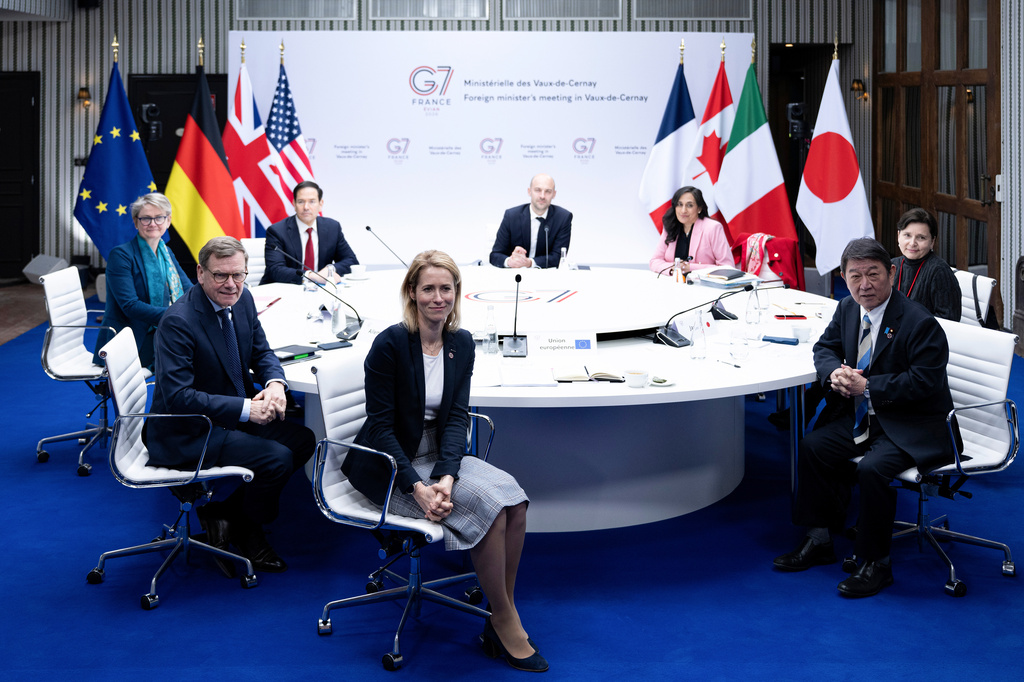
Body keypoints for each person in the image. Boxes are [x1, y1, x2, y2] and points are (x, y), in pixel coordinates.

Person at [344, 250, 547, 672]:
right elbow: (380, 427)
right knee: (489, 512)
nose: (438, 297)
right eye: (428, 289)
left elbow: (456, 417)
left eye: (446, 288)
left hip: (440, 453)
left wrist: (448, 476)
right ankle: (506, 620)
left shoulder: (460, 343)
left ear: (457, 292)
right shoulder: (390, 344)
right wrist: (418, 489)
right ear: (412, 294)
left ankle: (500, 613)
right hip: (390, 461)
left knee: (514, 499)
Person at [772, 238, 960, 598]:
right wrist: (834, 375)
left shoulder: (919, 322)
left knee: (872, 469)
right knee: (814, 446)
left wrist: (868, 386)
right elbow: (824, 348)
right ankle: (820, 539)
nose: (864, 285)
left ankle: (876, 563)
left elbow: (925, 382)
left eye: (873, 274)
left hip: (911, 423)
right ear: (843, 277)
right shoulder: (848, 308)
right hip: (866, 418)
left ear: (891, 273)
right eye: (855, 276)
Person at [147, 236, 315, 576]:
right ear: (200, 273)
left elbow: (262, 352)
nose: (231, 284)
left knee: (303, 440)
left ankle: (226, 516)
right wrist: (245, 408)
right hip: (188, 429)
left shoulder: (243, 299)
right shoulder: (178, 321)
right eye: (221, 275)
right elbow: (179, 397)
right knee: (276, 458)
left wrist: (275, 384)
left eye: (238, 275)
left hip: (226, 413)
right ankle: (249, 531)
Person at [92, 193, 192, 371]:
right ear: (136, 222)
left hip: (163, 330)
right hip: (132, 339)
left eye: (159, 218)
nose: (153, 224)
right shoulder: (121, 255)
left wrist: (208, 303)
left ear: (168, 221)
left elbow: (188, 289)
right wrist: (177, 316)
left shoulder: (166, 252)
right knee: (195, 356)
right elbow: (130, 306)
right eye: (146, 218)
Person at [261, 180, 358, 285]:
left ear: (320, 204)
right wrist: (311, 276)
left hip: (320, 290)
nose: (306, 207)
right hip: (284, 289)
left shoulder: (332, 228)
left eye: (312, 201)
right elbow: (275, 270)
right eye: (301, 202)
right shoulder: (277, 231)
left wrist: (331, 269)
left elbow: (351, 261)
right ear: (294, 204)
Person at [891, 207, 961, 321]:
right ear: (898, 235)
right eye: (907, 235)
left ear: (932, 241)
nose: (912, 243)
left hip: (923, 336)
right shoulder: (892, 265)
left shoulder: (939, 272)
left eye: (921, 237)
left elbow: (949, 320)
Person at [489, 173, 572, 269]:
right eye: (538, 190)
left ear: (554, 194)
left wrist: (529, 263)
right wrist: (510, 261)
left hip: (546, 277)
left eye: (548, 191)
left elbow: (558, 257)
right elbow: (495, 255)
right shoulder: (511, 216)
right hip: (514, 276)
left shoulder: (563, 218)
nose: (542, 196)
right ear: (529, 191)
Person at [649, 186, 734, 275]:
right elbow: (654, 261)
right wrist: (672, 269)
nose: (683, 210)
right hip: (673, 284)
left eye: (689, 205)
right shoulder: (670, 226)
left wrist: (690, 267)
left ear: (699, 208)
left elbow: (728, 267)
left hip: (703, 285)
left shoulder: (713, 228)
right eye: (679, 204)